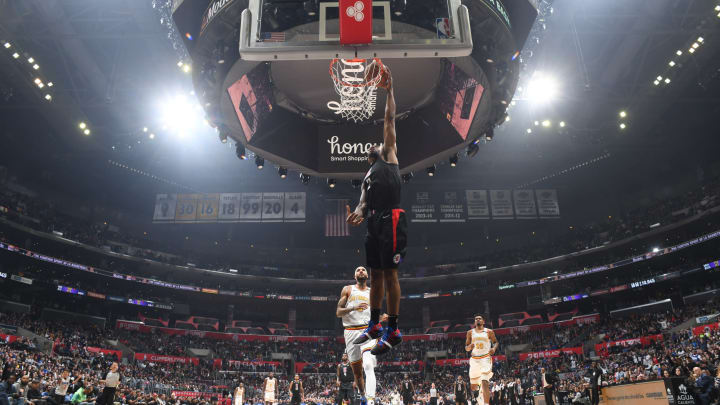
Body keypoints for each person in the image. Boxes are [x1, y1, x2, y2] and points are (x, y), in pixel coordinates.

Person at [347, 63, 407, 356]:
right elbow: (362, 201)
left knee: (391, 274)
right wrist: (358, 212)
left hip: (392, 217)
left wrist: (390, 89)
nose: (374, 145)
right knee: (376, 275)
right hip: (373, 220)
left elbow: (389, 117)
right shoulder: (367, 175)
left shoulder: (390, 154)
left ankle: (393, 329)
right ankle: (374, 323)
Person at [336, 267, 372, 400]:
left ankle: (371, 397)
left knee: (368, 364)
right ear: (354, 275)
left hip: (367, 330)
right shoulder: (348, 289)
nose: (361, 271)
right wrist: (353, 307)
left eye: (363, 269)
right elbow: (338, 312)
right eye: (358, 270)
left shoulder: (373, 292)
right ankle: (363, 396)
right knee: (357, 373)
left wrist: (382, 318)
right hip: (351, 331)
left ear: (367, 275)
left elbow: (372, 315)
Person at [465, 315, 498, 405]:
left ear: (483, 321)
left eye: (479, 318)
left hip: (485, 358)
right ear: (474, 322)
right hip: (474, 359)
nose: (477, 320)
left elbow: (495, 342)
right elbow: (466, 347)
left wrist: (494, 349)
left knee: (484, 381)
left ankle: (486, 403)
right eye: (476, 319)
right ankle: (479, 396)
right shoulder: (470, 332)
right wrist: (469, 347)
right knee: (473, 386)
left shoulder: (489, 331)